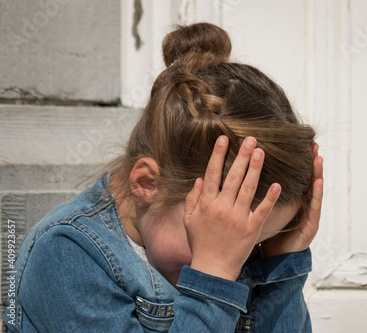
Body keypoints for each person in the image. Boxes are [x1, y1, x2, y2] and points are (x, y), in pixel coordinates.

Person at [4, 22, 323, 332]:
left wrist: (282, 265)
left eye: (257, 243)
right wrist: (212, 278)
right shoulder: (68, 256)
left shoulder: (246, 247)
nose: (237, 259)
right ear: (146, 184)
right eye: (217, 236)